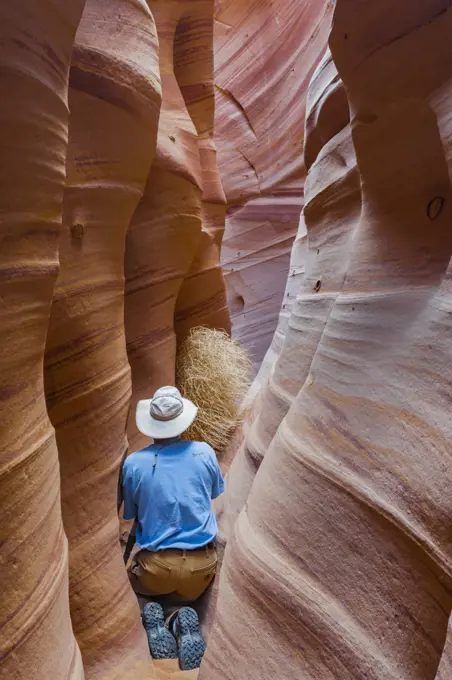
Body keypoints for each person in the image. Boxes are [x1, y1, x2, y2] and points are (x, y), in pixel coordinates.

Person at [121, 385, 225, 604]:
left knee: (133, 585)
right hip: (202, 568)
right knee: (185, 591)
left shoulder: (133, 464)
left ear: (151, 422)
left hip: (157, 570)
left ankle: (155, 612)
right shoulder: (204, 452)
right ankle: (178, 616)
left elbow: (131, 514)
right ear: (182, 420)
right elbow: (215, 493)